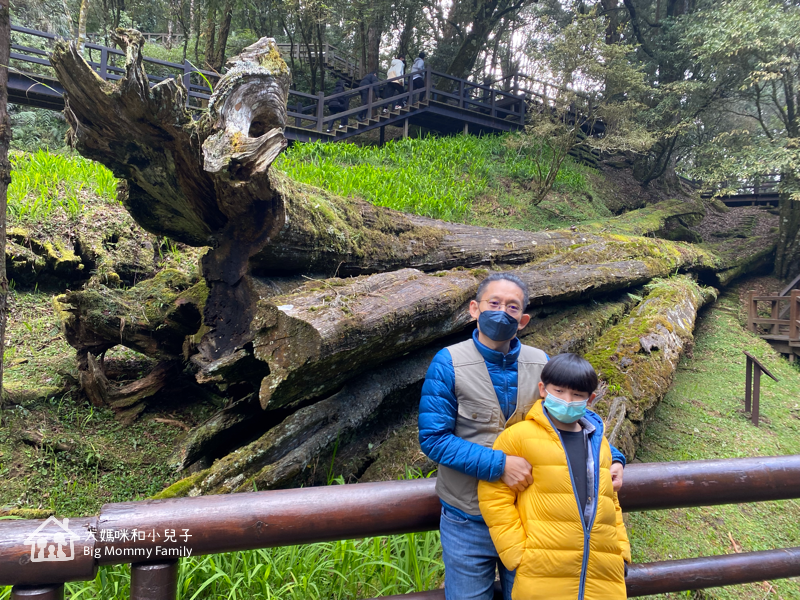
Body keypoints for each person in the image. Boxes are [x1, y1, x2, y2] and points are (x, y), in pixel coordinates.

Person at [418, 273, 626, 600]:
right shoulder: (449, 363)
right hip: (466, 516)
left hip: (530, 517)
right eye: (494, 303)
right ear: (475, 309)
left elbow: (569, 417)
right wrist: (499, 464)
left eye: (512, 307)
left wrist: (612, 456)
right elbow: (433, 439)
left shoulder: (539, 361)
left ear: (523, 319)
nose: (502, 312)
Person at [478, 353, 630, 600]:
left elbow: (610, 501)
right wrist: (517, 553)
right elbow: (493, 496)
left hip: (602, 571)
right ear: (542, 389)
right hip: (541, 570)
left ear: (590, 399)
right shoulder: (518, 437)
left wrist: (621, 551)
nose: (567, 401)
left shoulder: (599, 443)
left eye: (577, 395)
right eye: (558, 391)